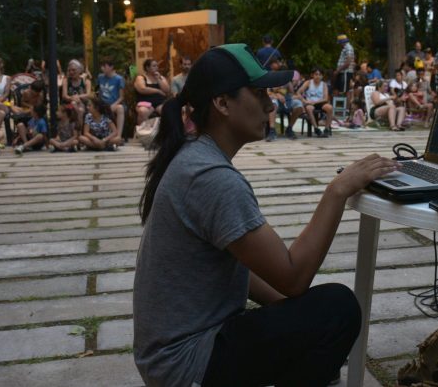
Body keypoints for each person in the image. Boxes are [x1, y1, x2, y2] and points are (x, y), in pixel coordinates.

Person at [133, 43, 396, 387]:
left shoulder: (194, 156)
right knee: (339, 308)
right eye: (258, 94)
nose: (270, 105)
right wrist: (338, 190)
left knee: (315, 323)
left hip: (168, 358)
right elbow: (293, 277)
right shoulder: (211, 177)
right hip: (185, 364)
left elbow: (245, 273)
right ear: (222, 103)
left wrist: (295, 315)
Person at [267, 59, 303, 140]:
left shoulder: (287, 82)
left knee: (299, 105)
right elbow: (268, 92)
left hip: (286, 102)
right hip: (275, 101)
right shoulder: (272, 79)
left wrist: (294, 95)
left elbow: (292, 94)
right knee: (273, 103)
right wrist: (277, 95)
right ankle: (272, 130)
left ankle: (289, 128)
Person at [296, 67, 334, 138]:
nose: (318, 76)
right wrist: (304, 101)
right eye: (316, 74)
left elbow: (325, 98)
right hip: (310, 103)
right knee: (309, 108)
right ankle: (316, 129)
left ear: (322, 76)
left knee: (330, 108)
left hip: (320, 102)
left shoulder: (324, 84)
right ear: (312, 75)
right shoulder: (308, 82)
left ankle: (326, 129)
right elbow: (298, 93)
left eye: (320, 74)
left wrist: (315, 102)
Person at [97, 58, 126, 140]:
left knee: (120, 108)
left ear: (111, 67)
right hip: (103, 103)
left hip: (114, 103)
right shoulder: (100, 77)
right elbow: (99, 92)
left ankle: (118, 135)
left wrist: (114, 104)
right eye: (101, 66)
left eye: (104, 66)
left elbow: (122, 97)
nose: (102, 68)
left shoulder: (119, 79)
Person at [134, 59, 171, 126]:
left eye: (157, 66)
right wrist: (158, 91)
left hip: (159, 103)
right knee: (143, 111)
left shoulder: (160, 77)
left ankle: (165, 131)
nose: (156, 68)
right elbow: (142, 89)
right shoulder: (141, 77)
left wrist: (158, 79)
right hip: (145, 102)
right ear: (147, 68)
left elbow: (167, 90)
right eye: (154, 66)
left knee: (169, 111)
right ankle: (143, 131)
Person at [61, 59, 92, 126]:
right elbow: (64, 96)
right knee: (76, 106)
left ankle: (78, 129)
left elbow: (89, 95)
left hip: (83, 104)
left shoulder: (86, 81)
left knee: (80, 108)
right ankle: (79, 129)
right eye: (69, 70)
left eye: (73, 70)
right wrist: (72, 98)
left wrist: (78, 97)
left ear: (79, 70)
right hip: (69, 105)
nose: (71, 72)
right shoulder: (66, 81)